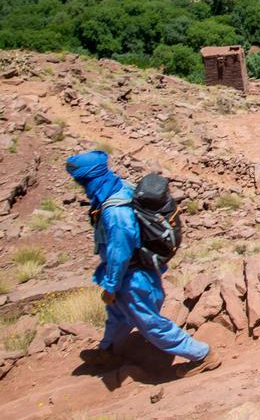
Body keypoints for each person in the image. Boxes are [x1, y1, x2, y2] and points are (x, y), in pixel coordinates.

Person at [66, 150, 220, 377]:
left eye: (81, 180)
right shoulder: (119, 186)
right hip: (138, 270)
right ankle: (107, 350)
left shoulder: (115, 211)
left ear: (89, 178)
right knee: (118, 315)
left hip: (133, 276)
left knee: (150, 324)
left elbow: (121, 253)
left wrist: (110, 286)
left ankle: (202, 355)